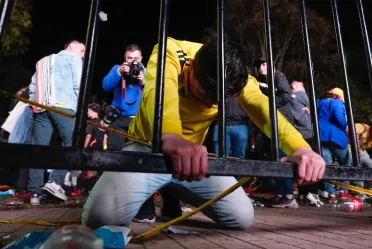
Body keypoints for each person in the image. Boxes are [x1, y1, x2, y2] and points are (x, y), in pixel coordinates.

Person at [82, 37, 326, 230]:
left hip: (193, 162)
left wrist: (300, 147)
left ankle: (173, 188)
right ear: (193, 70)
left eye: (220, 99)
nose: (212, 104)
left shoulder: (235, 76)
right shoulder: (171, 51)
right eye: (207, 94)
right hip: (149, 149)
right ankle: (162, 184)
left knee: (241, 218)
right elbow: (159, 89)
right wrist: (172, 136)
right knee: (99, 219)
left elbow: (263, 109)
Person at [28, 40, 85, 205]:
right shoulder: (73, 59)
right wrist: (80, 110)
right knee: (72, 144)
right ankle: (55, 182)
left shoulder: (43, 61)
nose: (82, 56)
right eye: (82, 51)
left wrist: (34, 105)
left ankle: (35, 194)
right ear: (73, 47)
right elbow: (79, 85)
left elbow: (33, 86)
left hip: (41, 108)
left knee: (38, 149)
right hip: (64, 107)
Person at [254, 56, 297, 208]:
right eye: (259, 66)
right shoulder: (264, 82)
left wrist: (268, 104)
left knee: (282, 159)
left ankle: (289, 196)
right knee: (275, 159)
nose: (261, 68)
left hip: (282, 122)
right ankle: (280, 194)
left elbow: (286, 96)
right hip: (270, 123)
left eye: (264, 64)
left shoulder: (278, 76)